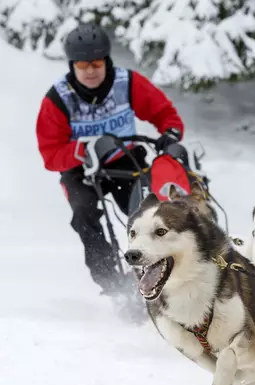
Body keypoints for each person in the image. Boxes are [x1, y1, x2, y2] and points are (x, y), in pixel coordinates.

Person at [35, 23, 185, 296]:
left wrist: (170, 133)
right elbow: (50, 154)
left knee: (146, 215)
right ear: (72, 65)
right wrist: (80, 150)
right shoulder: (58, 99)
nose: (90, 70)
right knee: (84, 215)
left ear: (106, 60)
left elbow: (163, 111)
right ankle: (112, 284)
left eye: (96, 62)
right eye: (82, 64)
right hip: (80, 168)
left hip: (125, 159)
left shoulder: (127, 83)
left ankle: (155, 277)